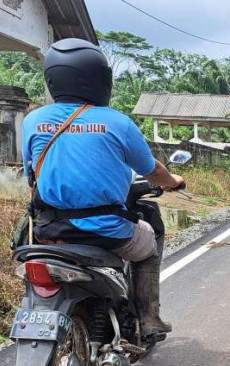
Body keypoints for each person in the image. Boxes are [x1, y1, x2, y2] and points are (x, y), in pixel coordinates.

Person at [21, 38, 184, 343]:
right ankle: (148, 318)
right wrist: (173, 181)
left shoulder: (33, 120)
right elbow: (152, 170)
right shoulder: (116, 122)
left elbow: (30, 173)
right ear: (99, 79)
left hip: (50, 230)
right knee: (148, 243)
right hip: (106, 230)